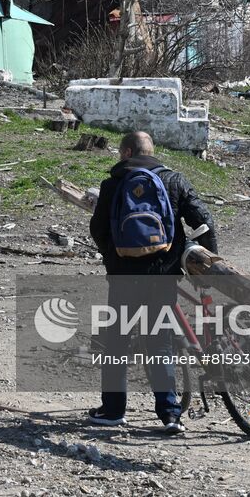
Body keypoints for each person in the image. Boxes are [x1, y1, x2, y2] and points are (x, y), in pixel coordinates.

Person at [88, 131, 217, 434]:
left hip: (123, 277)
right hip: (163, 275)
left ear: (127, 152)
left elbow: (98, 229)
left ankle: (113, 411)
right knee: (160, 341)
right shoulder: (174, 180)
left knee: (117, 342)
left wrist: (113, 260)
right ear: (151, 151)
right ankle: (170, 414)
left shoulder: (112, 184)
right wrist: (208, 262)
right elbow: (204, 220)